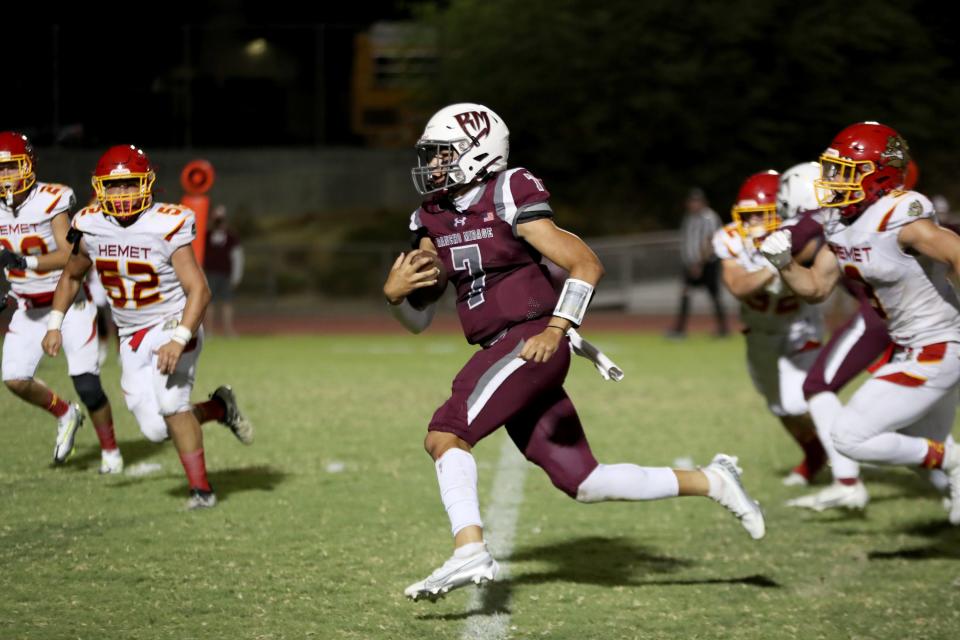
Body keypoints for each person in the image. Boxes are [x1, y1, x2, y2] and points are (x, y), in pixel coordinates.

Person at [385, 103, 765, 602]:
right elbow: (417, 320)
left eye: (442, 154)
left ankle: (469, 549)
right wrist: (395, 297)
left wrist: (558, 328)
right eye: (431, 156)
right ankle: (713, 480)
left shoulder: (507, 191)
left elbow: (586, 264)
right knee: (583, 480)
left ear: (477, 154)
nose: (432, 165)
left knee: (446, 432)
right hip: (505, 346)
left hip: (528, 337)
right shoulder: (431, 217)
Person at [760, 121, 960, 525]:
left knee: (850, 436)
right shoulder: (843, 221)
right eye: (831, 169)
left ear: (878, 175)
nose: (832, 180)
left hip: (936, 348)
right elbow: (816, 287)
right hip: (911, 347)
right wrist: (784, 264)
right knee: (922, 446)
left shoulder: (899, 215)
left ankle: (954, 462)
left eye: (843, 170)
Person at [42, 144, 254, 509]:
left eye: (130, 185)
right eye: (114, 186)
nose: (122, 194)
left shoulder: (166, 222)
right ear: (100, 188)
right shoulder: (89, 224)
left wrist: (179, 337)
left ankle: (201, 492)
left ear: (147, 184)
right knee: (157, 430)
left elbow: (199, 290)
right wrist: (55, 322)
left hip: (171, 321)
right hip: (130, 333)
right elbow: (71, 276)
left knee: (172, 404)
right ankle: (219, 408)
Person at [0, 131, 122, 472]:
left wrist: (26, 262)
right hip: (27, 309)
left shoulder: (50, 199)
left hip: (69, 306)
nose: (5, 176)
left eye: (11, 167)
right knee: (14, 378)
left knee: (87, 384)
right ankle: (65, 414)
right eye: (0, 170)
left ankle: (110, 451)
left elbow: (69, 253)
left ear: (29, 165)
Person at [712, 168, 830, 488]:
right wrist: (771, 265)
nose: (750, 226)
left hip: (799, 328)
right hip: (759, 333)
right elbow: (737, 285)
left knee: (797, 401)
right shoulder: (729, 239)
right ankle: (816, 454)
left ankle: (846, 455)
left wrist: (786, 253)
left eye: (759, 217)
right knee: (779, 405)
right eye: (746, 217)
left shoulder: (799, 237)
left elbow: (815, 253)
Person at [668, 188, 727, 337]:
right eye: (691, 201)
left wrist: (700, 264)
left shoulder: (709, 217)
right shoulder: (689, 218)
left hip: (707, 264)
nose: (693, 204)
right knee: (685, 293)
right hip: (690, 265)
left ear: (703, 202)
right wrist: (689, 262)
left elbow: (710, 241)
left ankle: (723, 329)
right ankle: (680, 329)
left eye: (696, 201)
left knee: (714, 295)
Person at [203, 205, 243, 337]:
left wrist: (236, 276)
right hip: (210, 274)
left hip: (226, 274)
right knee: (210, 303)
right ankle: (209, 331)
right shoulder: (206, 236)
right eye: (217, 221)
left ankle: (228, 330)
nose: (219, 224)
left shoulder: (231, 237)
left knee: (227, 302)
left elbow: (237, 257)